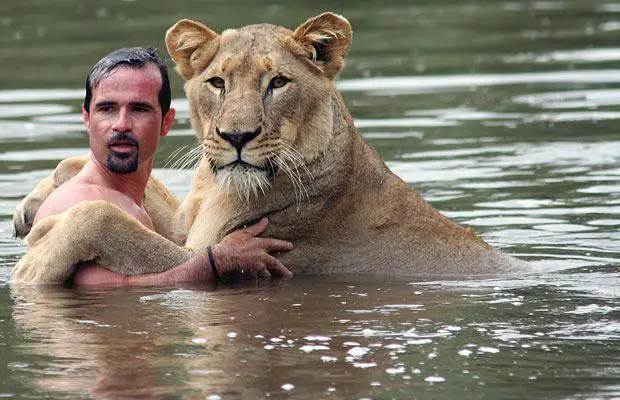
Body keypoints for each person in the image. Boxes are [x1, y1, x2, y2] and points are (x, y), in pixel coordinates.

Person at [31, 47, 293, 286]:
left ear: (166, 123)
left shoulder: (140, 199)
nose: (121, 124)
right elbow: (111, 293)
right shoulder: (75, 203)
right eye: (107, 108)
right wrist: (217, 261)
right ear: (87, 118)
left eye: (139, 109)